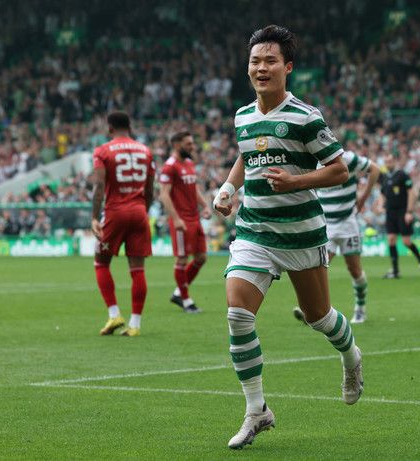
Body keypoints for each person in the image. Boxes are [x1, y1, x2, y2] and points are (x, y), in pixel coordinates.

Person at [212, 25, 363, 450]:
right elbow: (246, 156)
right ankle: (256, 410)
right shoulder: (243, 116)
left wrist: (296, 182)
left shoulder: (305, 116)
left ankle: (351, 357)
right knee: (238, 315)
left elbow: (339, 170)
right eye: (255, 61)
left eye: (270, 61)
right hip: (254, 231)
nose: (261, 68)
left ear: (288, 67)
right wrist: (228, 188)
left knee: (319, 318)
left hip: (300, 234)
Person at [293, 150, 380, 324]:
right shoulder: (312, 162)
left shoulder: (347, 158)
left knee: (354, 270)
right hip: (326, 225)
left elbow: (375, 169)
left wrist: (363, 198)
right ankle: (312, 309)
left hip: (348, 223)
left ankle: (360, 308)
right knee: (318, 267)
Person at [92, 111, 155, 337]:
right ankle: (135, 324)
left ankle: (114, 315)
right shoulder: (145, 151)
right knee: (137, 269)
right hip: (139, 211)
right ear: (129, 127)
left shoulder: (102, 151)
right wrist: (143, 211)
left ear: (110, 128)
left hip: (115, 212)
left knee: (101, 262)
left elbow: (99, 186)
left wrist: (94, 217)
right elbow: (150, 189)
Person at [159, 131, 211, 313]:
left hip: (194, 218)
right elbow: (164, 194)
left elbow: (193, 188)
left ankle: (178, 293)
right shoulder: (169, 167)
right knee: (182, 259)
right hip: (181, 220)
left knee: (201, 257)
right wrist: (175, 219)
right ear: (176, 145)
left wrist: (204, 205)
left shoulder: (189, 163)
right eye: (188, 144)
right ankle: (186, 300)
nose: (192, 147)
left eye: (192, 143)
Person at [380, 153, 420, 279]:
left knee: (406, 241)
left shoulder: (402, 175)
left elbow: (411, 192)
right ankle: (395, 270)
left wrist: (409, 211)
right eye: (386, 162)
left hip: (402, 211)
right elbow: (383, 193)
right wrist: (380, 205)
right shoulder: (384, 177)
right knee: (391, 239)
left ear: (395, 161)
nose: (388, 164)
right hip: (390, 212)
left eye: (390, 161)